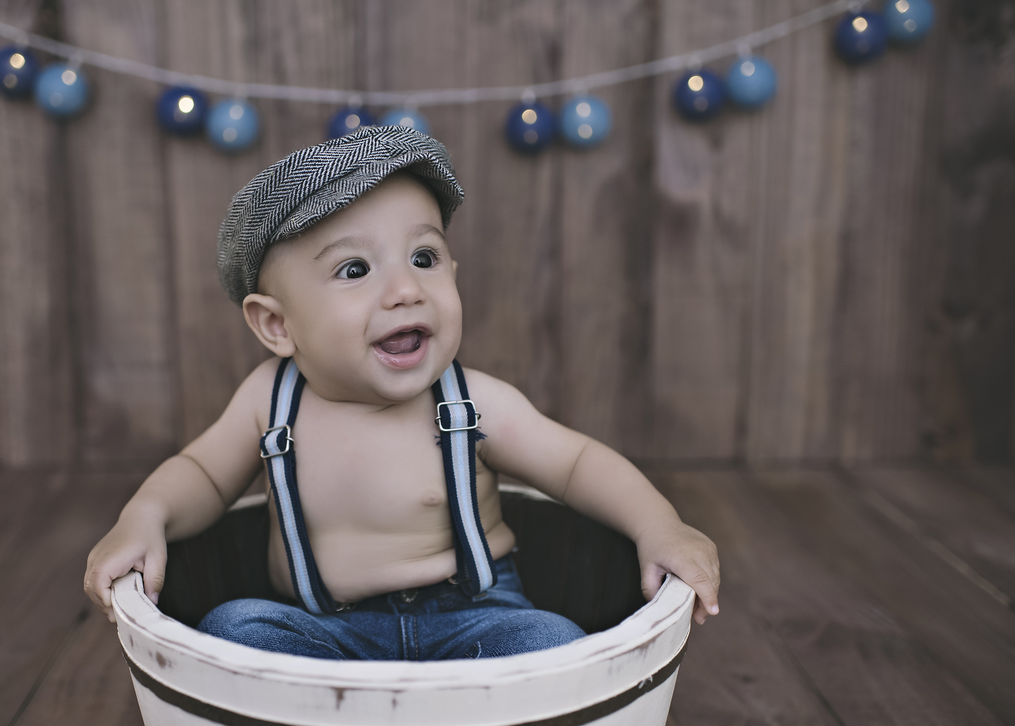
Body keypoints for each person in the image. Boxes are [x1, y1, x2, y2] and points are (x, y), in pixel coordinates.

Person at [84, 125, 719, 660]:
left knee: (550, 640)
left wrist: (659, 525)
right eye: (355, 270)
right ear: (278, 325)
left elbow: (578, 464)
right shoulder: (268, 401)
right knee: (232, 631)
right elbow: (200, 473)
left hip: (474, 620)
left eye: (425, 258)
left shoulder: (471, 401)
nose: (406, 289)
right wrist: (144, 517)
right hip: (325, 635)